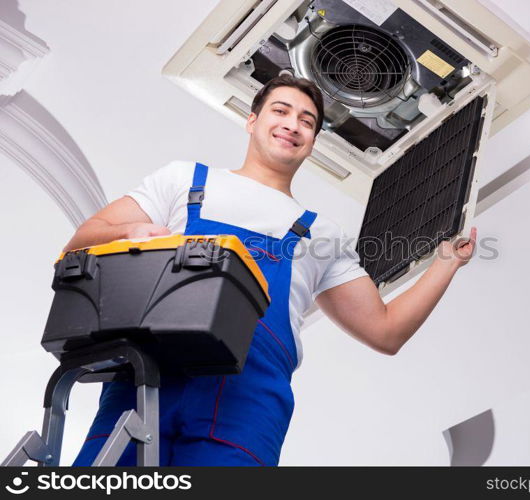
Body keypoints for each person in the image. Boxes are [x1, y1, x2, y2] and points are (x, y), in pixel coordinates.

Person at [64, 74, 477, 466]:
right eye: (280, 111)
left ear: (313, 141)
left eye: (307, 121)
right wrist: (136, 232)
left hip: (246, 404)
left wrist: (447, 262)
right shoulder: (185, 181)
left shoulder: (321, 234)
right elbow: (81, 243)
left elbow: (386, 332)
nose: (292, 125)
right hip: (147, 376)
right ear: (252, 120)